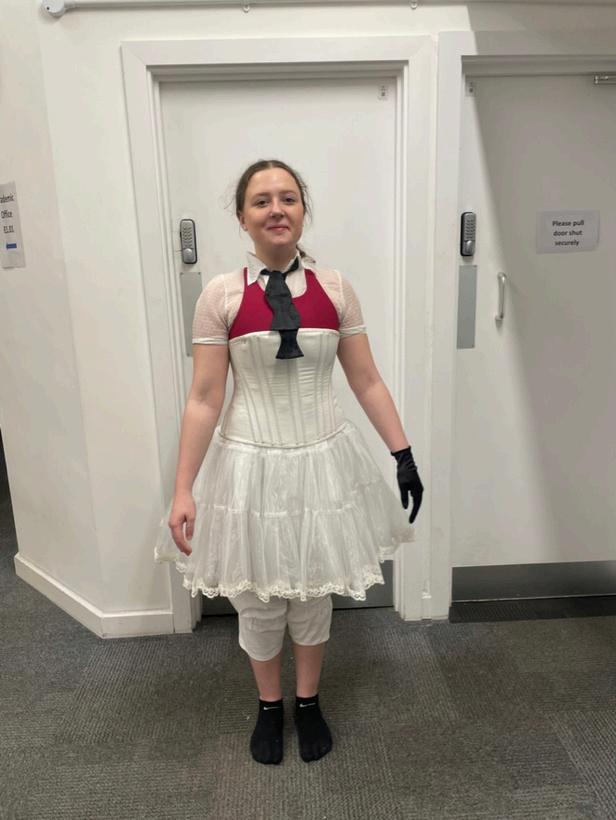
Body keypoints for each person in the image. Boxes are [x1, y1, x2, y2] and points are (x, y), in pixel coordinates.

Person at [154, 159, 424, 766]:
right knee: (258, 598)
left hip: (323, 461)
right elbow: (204, 398)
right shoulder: (221, 296)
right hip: (248, 465)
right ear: (242, 217)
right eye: (261, 200)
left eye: (288, 197)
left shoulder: (336, 289)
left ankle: (308, 700)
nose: (276, 209)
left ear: (303, 210)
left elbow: (366, 380)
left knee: (312, 593)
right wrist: (183, 489)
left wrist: (402, 453)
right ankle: (269, 706)